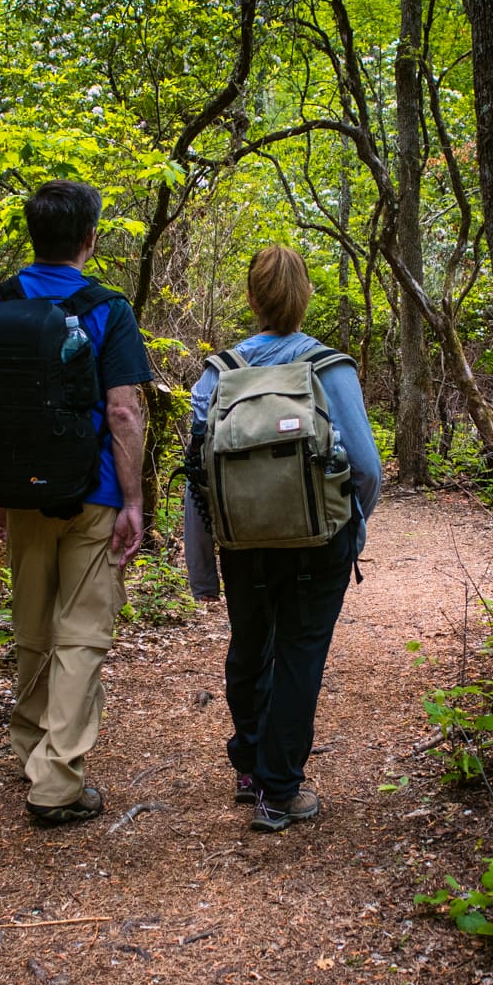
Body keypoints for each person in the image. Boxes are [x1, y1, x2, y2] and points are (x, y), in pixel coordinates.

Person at [184, 246, 382, 832]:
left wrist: (202, 569)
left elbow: (199, 478)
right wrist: (349, 524)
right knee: (300, 653)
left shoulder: (218, 374)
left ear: (251, 299)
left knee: (250, 642)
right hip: (318, 540)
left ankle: (249, 766)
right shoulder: (330, 369)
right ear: (306, 297)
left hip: (241, 539)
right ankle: (279, 791)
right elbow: (366, 469)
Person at [0, 180, 149, 825]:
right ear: (89, 238)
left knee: (31, 628)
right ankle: (55, 780)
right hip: (93, 492)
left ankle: (34, 754)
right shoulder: (108, 308)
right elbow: (123, 411)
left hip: (20, 491)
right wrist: (132, 501)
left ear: (33, 235)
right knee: (81, 635)